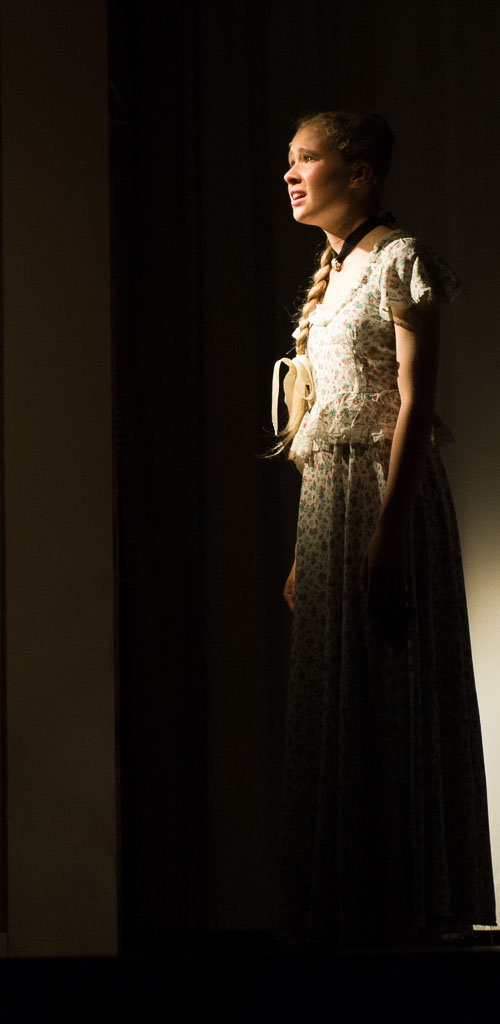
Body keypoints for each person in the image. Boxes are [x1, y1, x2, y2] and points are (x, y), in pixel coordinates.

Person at [273, 110, 496, 946]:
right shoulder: (332, 270)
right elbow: (322, 415)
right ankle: (348, 905)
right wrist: (306, 548)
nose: (291, 175)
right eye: (289, 162)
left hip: (382, 493)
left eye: (307, 160)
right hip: (328, 503)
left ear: (359, 172)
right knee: (337, 698)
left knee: (393, 688)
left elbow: (414, 401)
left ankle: (410, 906)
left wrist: (391, 529)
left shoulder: (401, 259)